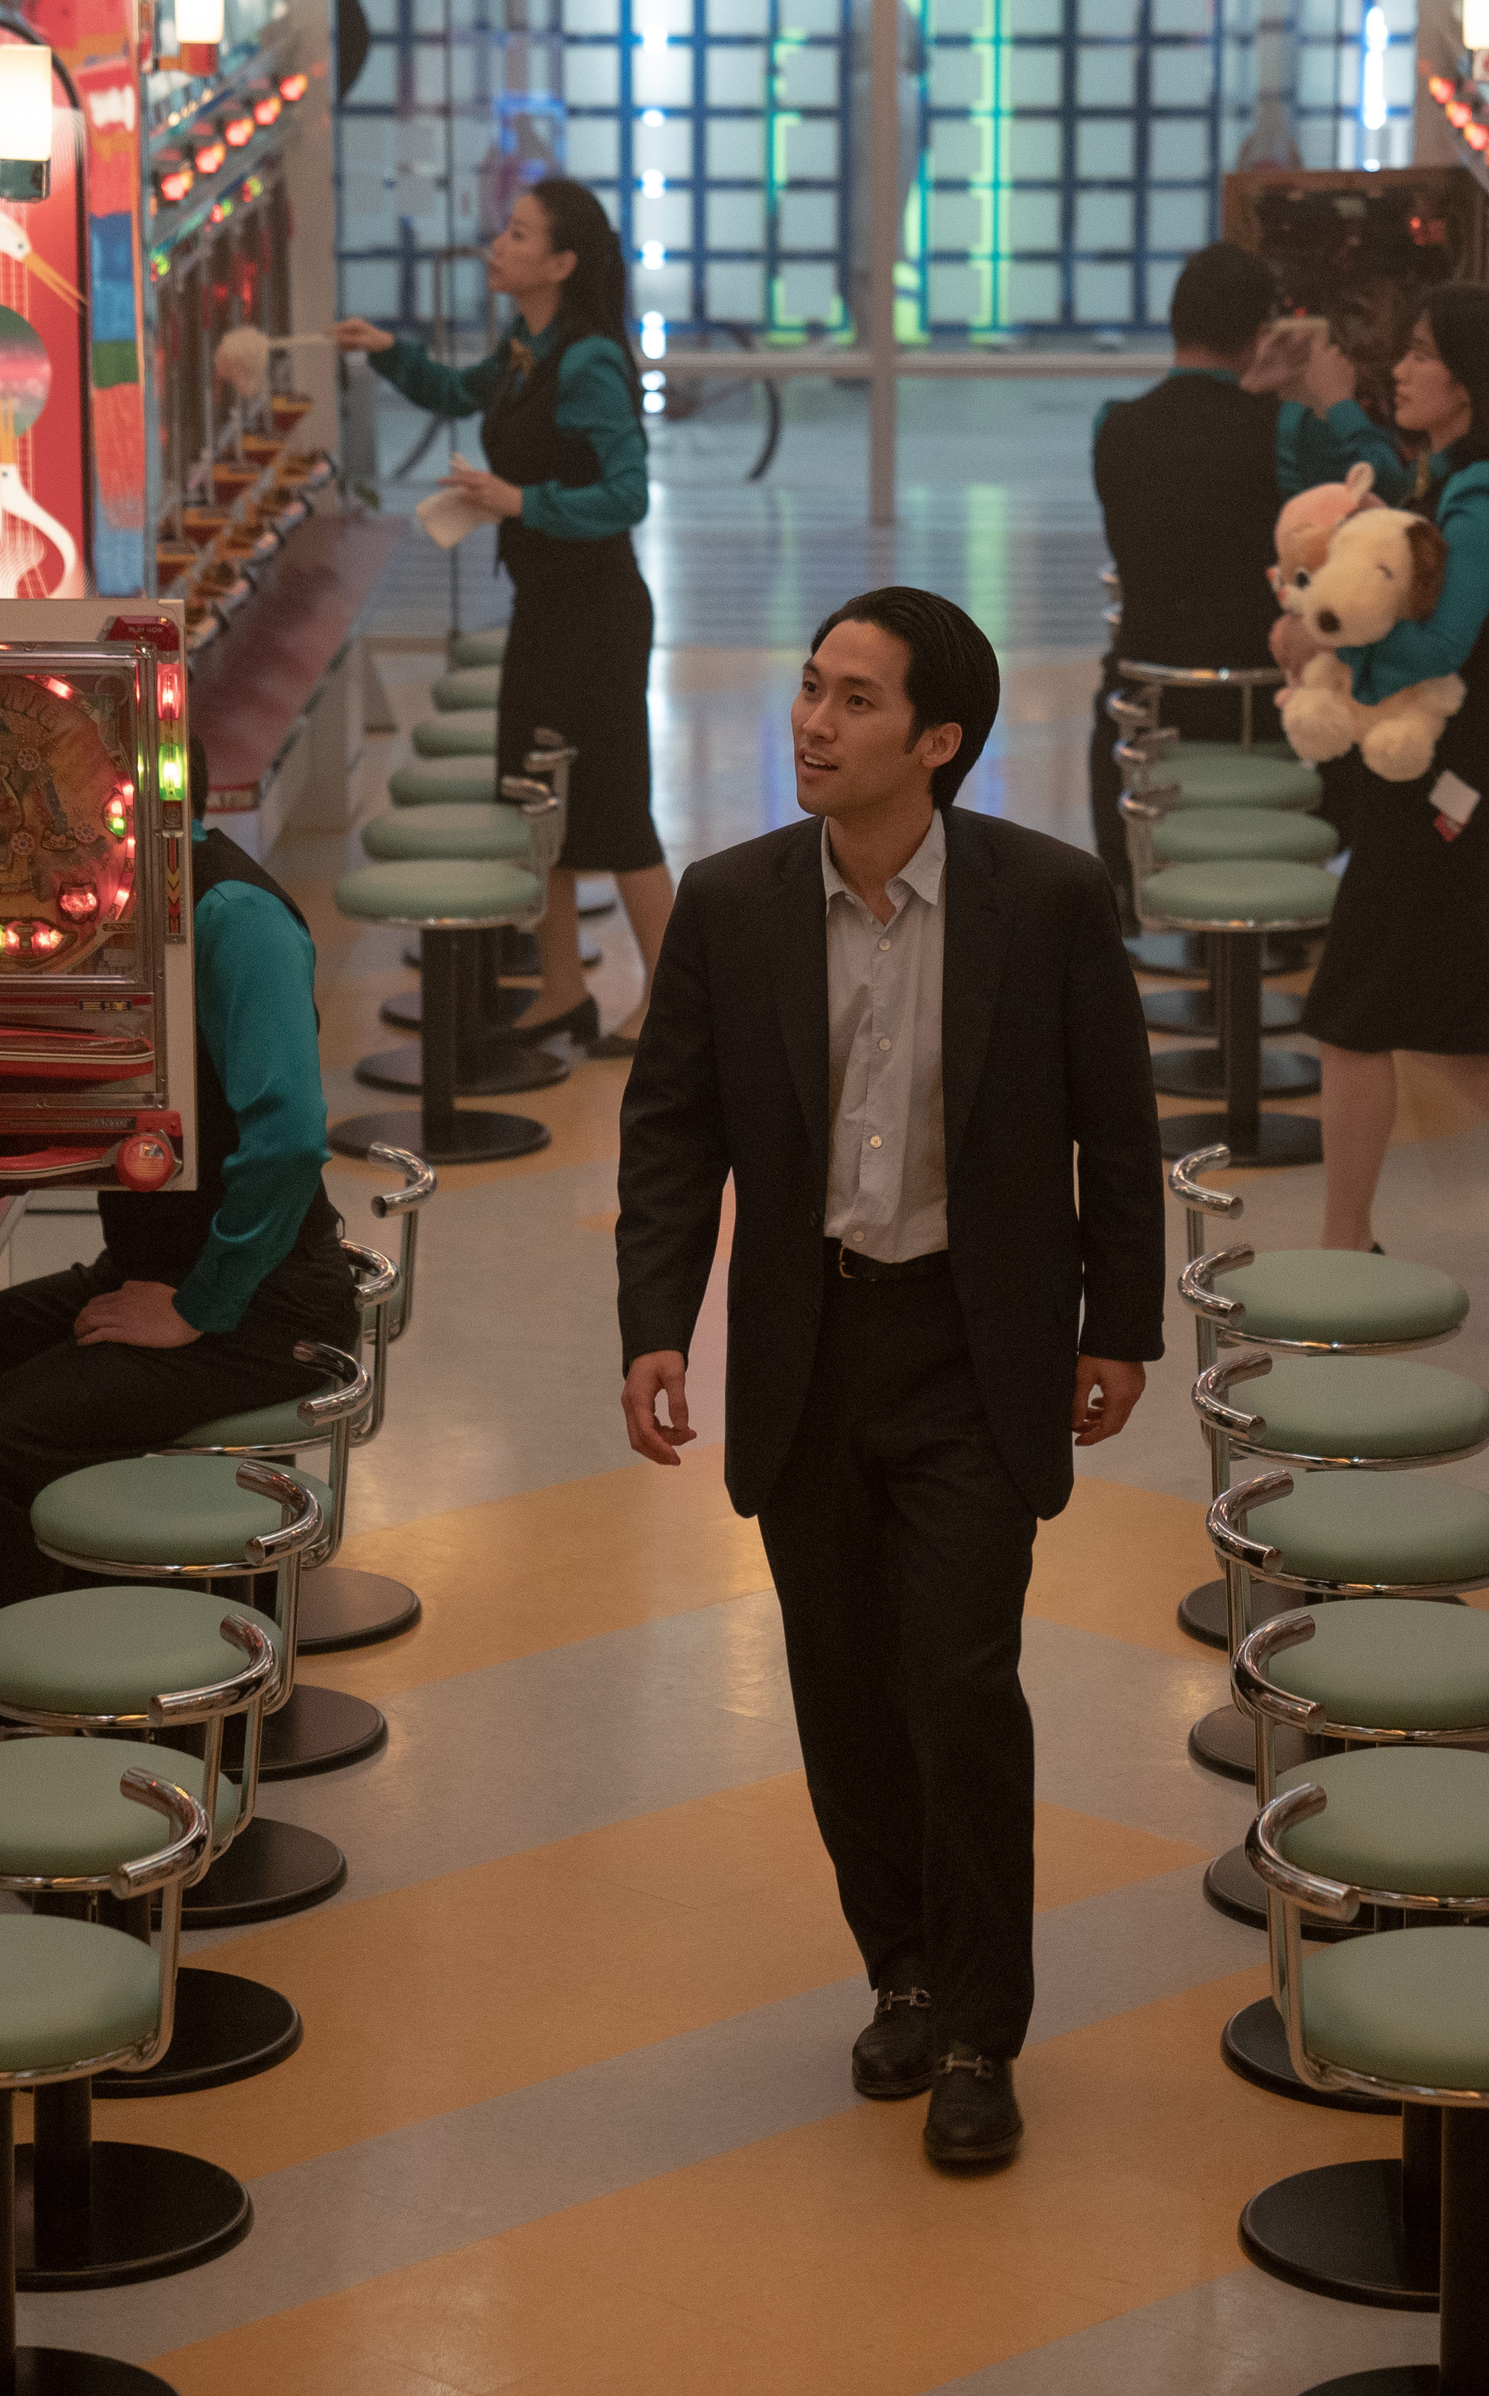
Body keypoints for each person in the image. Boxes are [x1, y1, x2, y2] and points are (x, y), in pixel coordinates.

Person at [612, 586, 1163, 2169]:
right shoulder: (732, 903)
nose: (811, 721)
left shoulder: (1045, 901)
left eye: (854, 701)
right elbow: (672, 1130)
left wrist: (1115, 1325)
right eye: (807, 688)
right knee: (845, 1694)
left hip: (969, 1353)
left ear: (939, 742)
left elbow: (1115, 1134)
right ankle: (903, 1969)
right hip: (811, 1347)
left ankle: (987, 2028)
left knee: (961, 1686)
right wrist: (658, 1320)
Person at [0, 801, 362, 1742]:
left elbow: (288, 1143)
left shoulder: (233, 917)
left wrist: (201, 1305)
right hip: (158, 1265)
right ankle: (7, 1641)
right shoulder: (130, 901)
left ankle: (44, 1683)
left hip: (264, 1300)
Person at [337, 178, 668, 1057]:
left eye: (517, 235)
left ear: (560, 262)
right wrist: (386, 351)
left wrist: (519, 499)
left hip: (595, 614)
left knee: (617, 811)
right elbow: (461, 388)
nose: (497, 244)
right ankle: (563, 987)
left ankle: (674, 999)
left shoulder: (587, 359)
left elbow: (626, 492)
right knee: (539, 800)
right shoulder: (529, 339)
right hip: (546, 606)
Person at [1276, 283, 1489, 1251]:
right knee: (1422, 1023)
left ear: (1473, 377)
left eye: (1422, 355)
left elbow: (1440, 643)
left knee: (1385, 1019)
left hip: (1445, 784)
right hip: (1423, 779)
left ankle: (1345, 1242)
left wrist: (1324, 647)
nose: (1401, 369)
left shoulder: (1485, 494)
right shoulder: (1448, 476)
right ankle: (1346, 1237)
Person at [1086, 243, 1369, 919]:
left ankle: (1133, 890)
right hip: (1266, 698)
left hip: (1151, 702)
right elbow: (1368, 497)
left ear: (1172, 319)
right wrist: (1334, 403)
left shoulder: (1113, 427)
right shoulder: (1292, 431)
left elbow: (1187, 492)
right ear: (1260, 332)